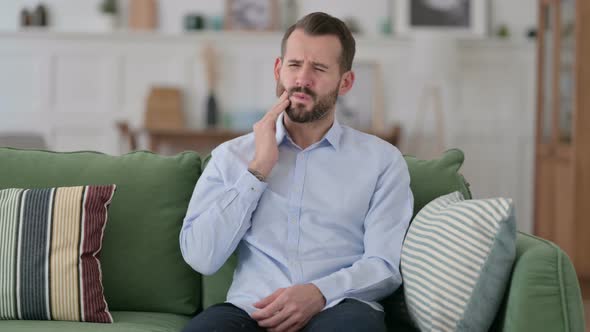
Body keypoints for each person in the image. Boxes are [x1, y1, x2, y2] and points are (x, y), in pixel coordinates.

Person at [179, 12, 413, 332]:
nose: (303, 79)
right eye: (294, 65)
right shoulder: (232, 156)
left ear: (345, 82)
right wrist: (259, 169)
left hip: (340, 309)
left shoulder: (382, 161)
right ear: (279, 70)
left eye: (318, 68)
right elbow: (201, 257)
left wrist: (319, 293)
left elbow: (383, 266)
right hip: (251, 311)